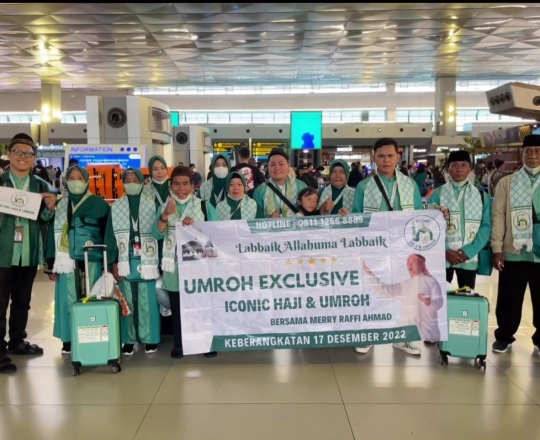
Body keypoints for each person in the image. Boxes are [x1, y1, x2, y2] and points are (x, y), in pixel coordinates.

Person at [353, 137, 423, 355]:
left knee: (404, 293)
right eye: (381, 156)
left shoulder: (409, 185)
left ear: (398, 157)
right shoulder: (364, 186)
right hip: (375, 248)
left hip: (403, 249)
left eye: (390, 156)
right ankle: (369, 334)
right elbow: (358, 217)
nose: (386, 160)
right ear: (374, 157)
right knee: (373, 291)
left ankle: (401, 336)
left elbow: (419, 216)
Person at [0, 133, 56, 374]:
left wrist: (51, 208)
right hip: (3, 252)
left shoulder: (41, 186)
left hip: (29, 251)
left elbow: (44, 220)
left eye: (28, 153)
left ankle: (16, 341)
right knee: (0, 303)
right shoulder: (1, 182)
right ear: (10, 154)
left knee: (22, 301)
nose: (23, 157)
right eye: (18, 152)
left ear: (34, 158)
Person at [153, 166, 219, 359]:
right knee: (178, 305)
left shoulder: (204, 206)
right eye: (176, 184)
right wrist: (166, 214)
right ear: (170, 185)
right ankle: (180, 344)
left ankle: (205, 343)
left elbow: (215, 233)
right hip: (173, 265)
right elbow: (157, 233)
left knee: (201, 304)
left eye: (185, 184)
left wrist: (197, 227)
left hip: (198, 266)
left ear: (193, 185)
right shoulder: (164, 206)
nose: (181, 188)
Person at [46, 166, 110, 355]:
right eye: (71, 178)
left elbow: (108, 234)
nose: (75, 182)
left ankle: (93, 336)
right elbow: (51, 234)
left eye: (79, 178)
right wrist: (51, 265)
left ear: (87, 180)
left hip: (92, 260)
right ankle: (69, 339)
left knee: (92, 297)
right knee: (68, 300)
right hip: (66, 263)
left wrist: (110, 262)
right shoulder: (60, 204)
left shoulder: (99, 204)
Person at [492, 134, 540, 354]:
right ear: (522, 155)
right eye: (528, 151)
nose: (533, 156)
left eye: (538, 151)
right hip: (514, 252)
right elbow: (498, 217)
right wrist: (497, 248)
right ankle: (504, 336)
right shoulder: (507, 183)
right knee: (509, 300)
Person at [105, 168, 161, 355]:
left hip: (148, 256)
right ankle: (129, 340)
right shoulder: (116, 206)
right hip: (125, 257)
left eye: (134, 179)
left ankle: (150, 338)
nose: (131, 183)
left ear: (142, 181)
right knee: (126, 299)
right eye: (127, 180)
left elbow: (159, 232)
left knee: (148, 300)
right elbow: (111, 237)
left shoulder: (151, 203)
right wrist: (113, 262)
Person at [428, 150, 491, 290]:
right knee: (440, 298)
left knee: (468, 300)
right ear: (447, 169)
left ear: (470, 169)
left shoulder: (481, 196)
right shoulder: (436, 195)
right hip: (443, 257)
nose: (459, 169)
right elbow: (429, 227)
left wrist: (469, 251)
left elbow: (486, 226)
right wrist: (445, 250)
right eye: (455, 165)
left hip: (469, 257)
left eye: (463, 165)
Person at [363, 255, 444, 342]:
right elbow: (387, 291)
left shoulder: (431, 281)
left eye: (413, 262)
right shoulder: (405, 284)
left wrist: (429, 302)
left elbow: (439, 302)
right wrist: (370, 274)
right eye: (408, 263)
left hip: (428, 333)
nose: (410, 265)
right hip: (408, 333)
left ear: (421, 264)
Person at [253, 148, 307, 218]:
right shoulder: (259, 191)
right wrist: (268, 219)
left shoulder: (301, 186)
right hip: (270, 228)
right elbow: (256, 219)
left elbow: (310, 212)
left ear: (288, 166)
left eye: (281, 164)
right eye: (272, 164)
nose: (277, 168)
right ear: (268, 167)